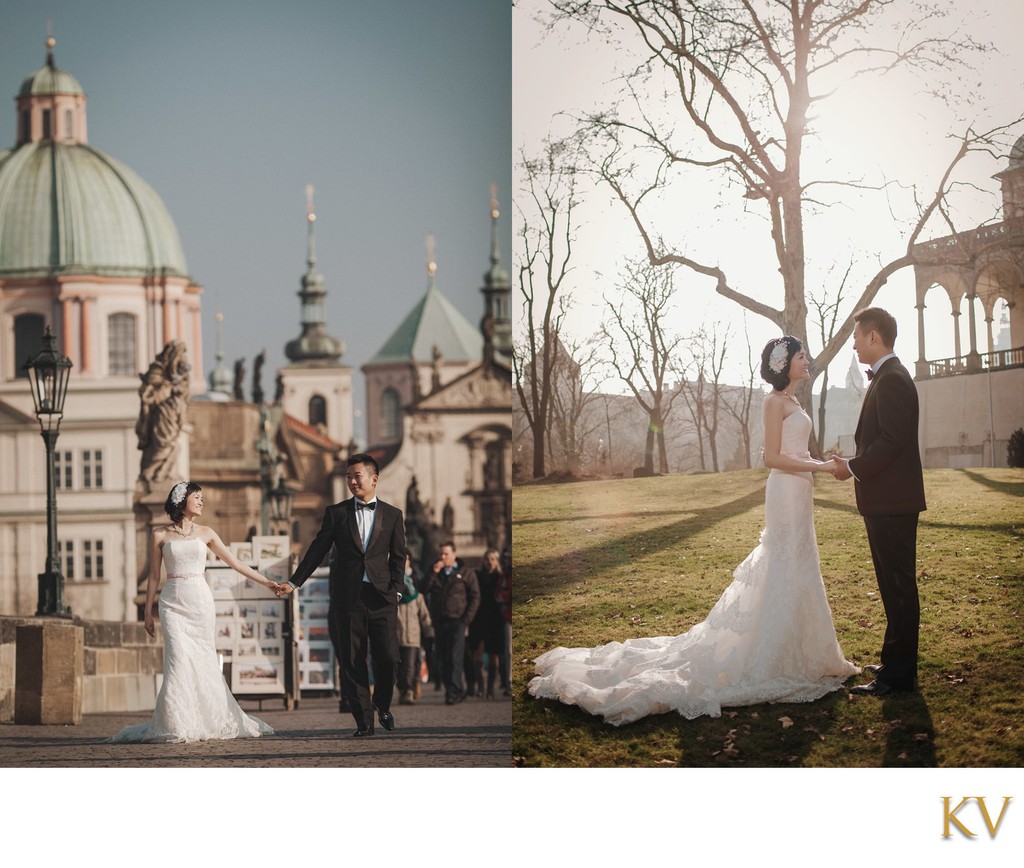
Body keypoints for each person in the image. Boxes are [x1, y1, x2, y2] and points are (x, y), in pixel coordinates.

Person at [528, 336, 859, 726]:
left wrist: (824, 465)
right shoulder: (773, 402)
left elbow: (796, 453)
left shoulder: (797, 402)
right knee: (782, 561)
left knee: (801, 563)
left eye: (805, 355)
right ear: (783, 363)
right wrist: (821, 468)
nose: (807, 361)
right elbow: (771, 457)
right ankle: (772, 655)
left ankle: (809, 651)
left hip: (800, 491)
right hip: (785, 492)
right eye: (801, 356)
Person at [110, 481, 280, 743]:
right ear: (182, 500)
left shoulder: (207, 533)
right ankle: (177, 722)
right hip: (171, 604)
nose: (201, 502)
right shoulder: (159, 535)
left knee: (203, 660)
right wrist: (146, 612)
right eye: (197, 497)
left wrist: (266, 582)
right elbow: (154, 577)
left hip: (200, 602)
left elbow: (236, 563)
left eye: (202, 498)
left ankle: (208, 717)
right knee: (177, 660)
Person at [831, 307, 926, 696]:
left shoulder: (892, 380)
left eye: (856, 336)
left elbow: (891, 441)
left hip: (892, 503)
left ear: (873, 337)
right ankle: (894, 661)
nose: (853, 344)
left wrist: (851, 467)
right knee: (892, 586)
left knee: (899, 586)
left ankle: (898, 675)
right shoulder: (887, 377)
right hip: (885, 502)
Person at [278, 454, 406, 736]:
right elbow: (317, 550)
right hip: (347, 599)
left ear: (374, 479)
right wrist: (294, 582)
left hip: (382, 598)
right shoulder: (336, 513)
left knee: (389, 658)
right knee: (352, 660)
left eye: (356, 476)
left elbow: (399, 557)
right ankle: (364, 722)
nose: (351, 481)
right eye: (348, 476)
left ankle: (382, 704)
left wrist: (397, 590)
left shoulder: (393, 515)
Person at [423, 541, 480, 705]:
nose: (442, 557)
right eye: (441, 554)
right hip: (440, 621)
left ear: (454, 554)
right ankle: (456, 688)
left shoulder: (466, 573)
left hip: (458, 620)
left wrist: (466, 619)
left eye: (446, 554)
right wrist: (433, 573)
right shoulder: (435, 572)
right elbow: (423, 589)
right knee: (444, 658)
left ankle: (453, 692)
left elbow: (475, 597)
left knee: (455, 657)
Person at [467, 549, 506, 699]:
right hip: (479, 618)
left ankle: (490, 688)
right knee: (477, 650)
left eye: (493, 559)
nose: (490, 562)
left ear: (496, 562)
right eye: (487, 559)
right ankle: (481, 687)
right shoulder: (476, 576)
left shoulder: (500, 577)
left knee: (493, 654)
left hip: (495, 619)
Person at [397, 556, 433, 705]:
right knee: (398, 666)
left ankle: (409, 690)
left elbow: (424, 614)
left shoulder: (417, 594)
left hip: (413, 634)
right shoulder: (393, 592)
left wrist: (428, 630)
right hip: (396, 634)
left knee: (411, 665)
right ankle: (402, 689)